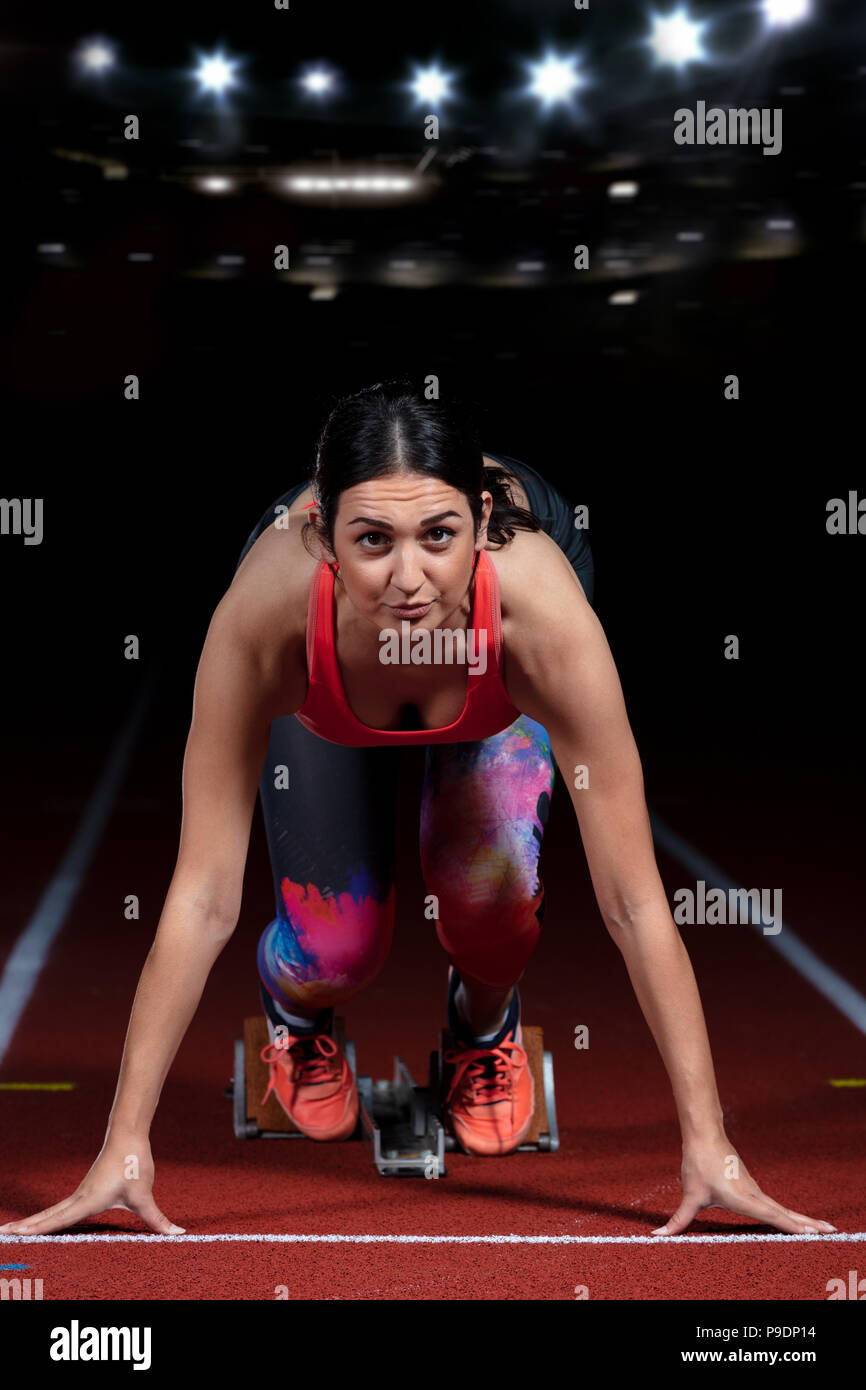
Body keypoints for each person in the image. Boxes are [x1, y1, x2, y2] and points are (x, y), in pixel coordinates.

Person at [0, 381, 834, 1240]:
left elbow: (631, 901)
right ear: (322, 537)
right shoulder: (264, 619)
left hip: (489, 652)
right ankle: (296, 1014)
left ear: (479, 524)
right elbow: (203, 894)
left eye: (439, 536)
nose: (409, 582)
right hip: (332, 660)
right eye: (372, 541)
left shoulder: (542, 621)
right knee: (336, 943)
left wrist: (712, 1144)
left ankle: (483, 1028)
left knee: (492, 910)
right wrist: (122, 1144)